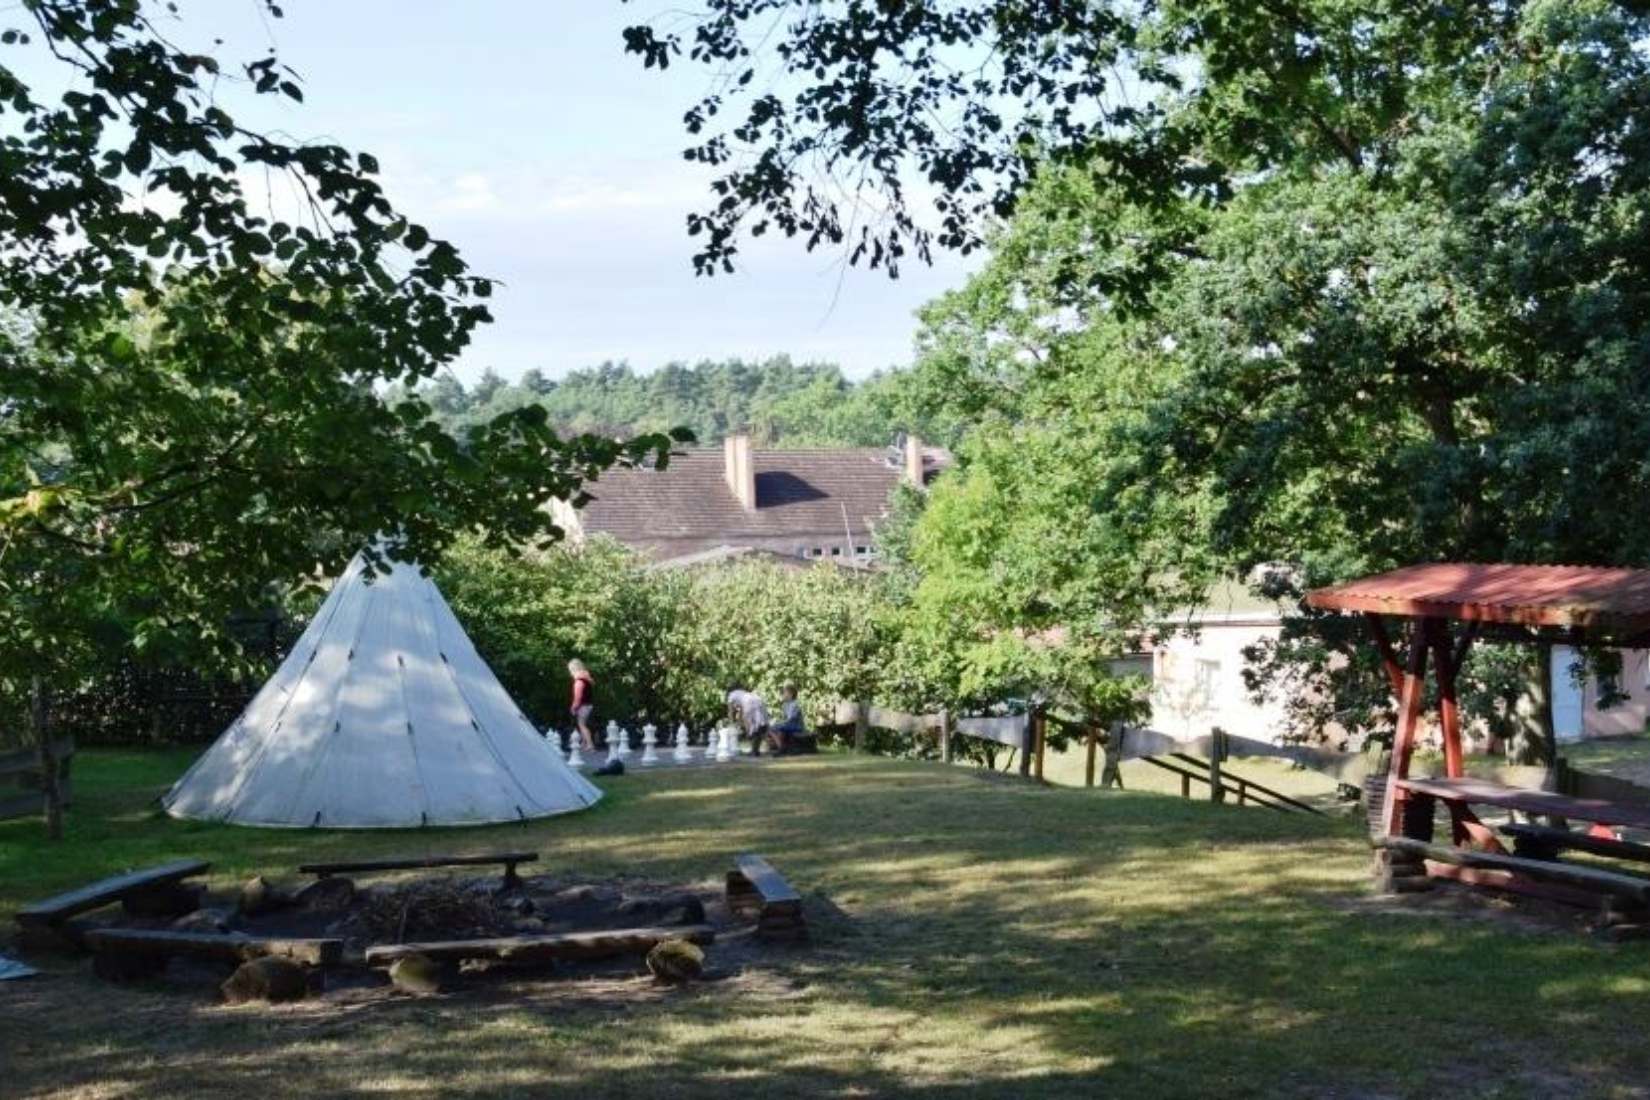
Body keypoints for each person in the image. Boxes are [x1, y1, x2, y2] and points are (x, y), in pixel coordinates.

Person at [725, 684, 772, 757]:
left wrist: (732, 725)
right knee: (760, 726)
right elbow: (741, 710)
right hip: (758, 700)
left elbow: (730, 711)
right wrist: (740, 721)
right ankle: (755, 750)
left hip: (749, 702)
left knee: (752, 729)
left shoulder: (731, 695)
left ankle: (754, 751)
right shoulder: (743, 693)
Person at [771, 682, 809, 755]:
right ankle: (782, 748)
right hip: (789, 725)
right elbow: (784, 717)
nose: (783, 695)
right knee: (774, 728)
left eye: (785, 693)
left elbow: (790, 719)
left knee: (777, 728)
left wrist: (780, 723)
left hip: (797, 726)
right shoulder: (785, 704)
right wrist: (778, 722)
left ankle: (781, 749)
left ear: (790, 695)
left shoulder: (795, 704)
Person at [568, 659, 597, 751]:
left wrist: (573, 708)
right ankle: (584, 744)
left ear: (573, 670)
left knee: (582, 725)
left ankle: (589, 744)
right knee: (583, 725)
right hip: (589, 705)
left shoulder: (579, 681)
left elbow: (578, 697)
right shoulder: (587, 679)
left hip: (583, 706)